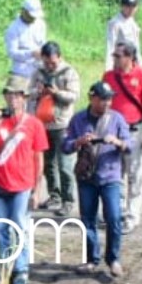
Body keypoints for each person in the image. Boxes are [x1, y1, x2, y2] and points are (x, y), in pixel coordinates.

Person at [0, 77, 47, 284]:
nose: (13, 99)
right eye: (9, 94)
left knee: (19, 226)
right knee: (0, 228)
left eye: (17, 94)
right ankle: (4, 267)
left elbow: (38, 158)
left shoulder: (33, 124)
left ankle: (21, 268)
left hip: (23, 184)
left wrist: (37, 190)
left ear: (24, 98)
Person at [64, 82, 134, 279]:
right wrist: (78, 142)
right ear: (92, 98)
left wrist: (117, 142)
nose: (107, 103)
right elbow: (65, 145)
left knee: (113, 218)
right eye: (103, 99)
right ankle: (92, 259)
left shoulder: (117, 119)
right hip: (87, 177)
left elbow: (129, 144)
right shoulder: (78, 119)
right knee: (88, 219)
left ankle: (113, 259)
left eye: (109, 99)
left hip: (110, 176)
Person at [101, 43, 142, 234]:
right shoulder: (109, 77)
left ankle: (132, 215)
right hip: (112, 132)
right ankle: (116, 212)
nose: (115, 59)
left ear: (129, 58)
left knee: (134, 173)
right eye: (114, 55)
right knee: (115, 173)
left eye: (118, 56)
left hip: (134, 130)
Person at [30, 42, 80, 213]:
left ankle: (68, 200)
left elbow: (74, 96)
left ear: (59, 57)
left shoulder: (69, 72)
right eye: (46, 62)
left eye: (52, 62)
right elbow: (29, 94)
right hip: (43, 124)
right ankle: (54, 196)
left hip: (62, 123)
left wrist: (57, 92)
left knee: (65, 164)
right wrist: (38, 92)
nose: (50, 66)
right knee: (47, 164)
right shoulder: (38, 72)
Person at [5, 0, 46, 83]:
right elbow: (12, 53)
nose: (33, 19)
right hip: (21, 69)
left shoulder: (40, 24)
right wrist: (31, 53)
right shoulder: (13, 29)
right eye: (31, 16)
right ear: (23, 11)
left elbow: (43, 43)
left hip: (39, 66)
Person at [104, 0, 142, 72]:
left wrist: (141, 64)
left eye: (133, 7)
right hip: (120, 62)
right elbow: (110, 46)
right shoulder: (115, 23)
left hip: (132, 62)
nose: (131, 10)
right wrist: (108, 68)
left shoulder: (133, 23)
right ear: (122, 7)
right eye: (128, 6)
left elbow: (137, 46)